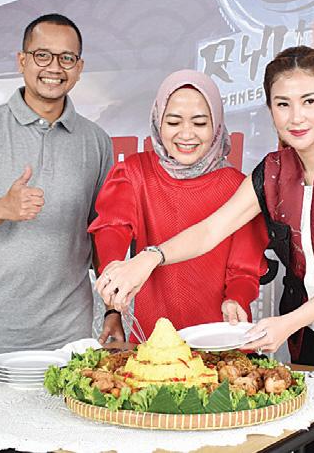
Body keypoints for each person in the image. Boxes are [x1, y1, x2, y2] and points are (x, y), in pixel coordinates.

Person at [96, 46, 314, 452]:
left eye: (309, 101)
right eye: (283, 104)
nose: (296, 117)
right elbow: (210, 230)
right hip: (310, 339)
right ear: (270, 109)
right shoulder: (272, 171)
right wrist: (149, 257)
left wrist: (286, 323)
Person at [0, 14, 113, 373]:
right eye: (42, 55)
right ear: (22, 61)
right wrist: (1, 208)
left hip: (67, 338)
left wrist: (112, 309)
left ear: (79, 68)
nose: (54, 68)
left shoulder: (96, 141)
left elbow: (103, 234)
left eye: (66, 58)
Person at [88, 69, 269, 343]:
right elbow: (111, 228)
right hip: (153, 341)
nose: (186, 134)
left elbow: (244, 269)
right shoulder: (135, 172)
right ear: (158, 122)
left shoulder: (238, 187)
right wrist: (113, 290)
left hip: (218, 340)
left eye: (200, 123)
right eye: (173, 122)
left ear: (217, 125)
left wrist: (236, 298)